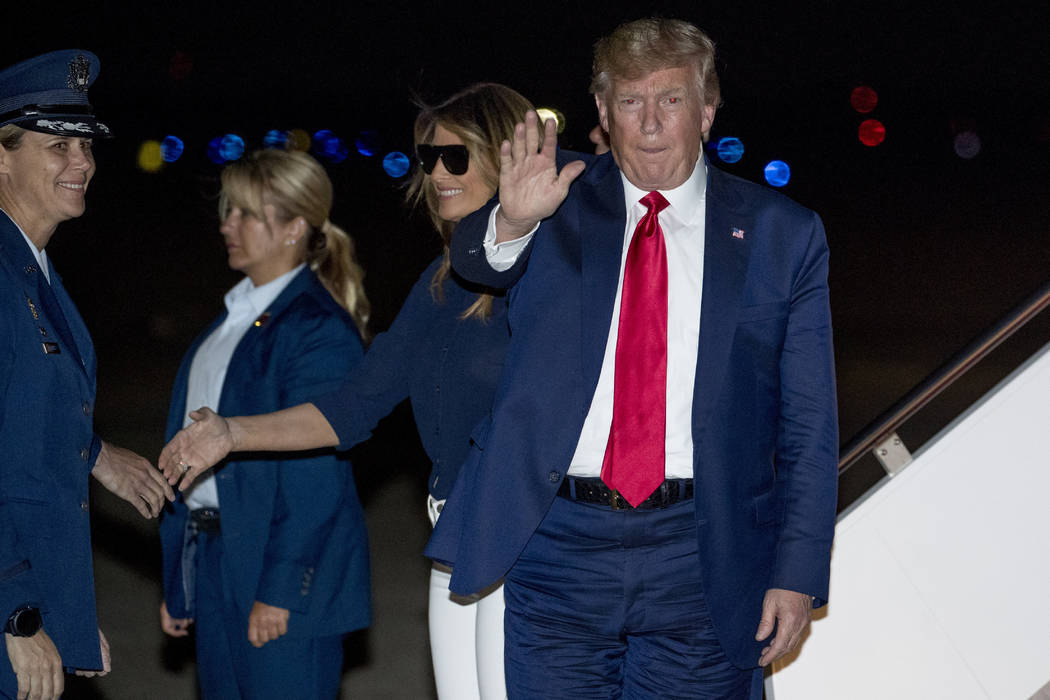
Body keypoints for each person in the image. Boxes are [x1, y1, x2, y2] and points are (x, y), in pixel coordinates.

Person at [426, 18, 839, 699]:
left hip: (703, 552)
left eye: (671, 100)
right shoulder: (553, 202)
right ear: (602, 112)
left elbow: (810, 428)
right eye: (630, 102)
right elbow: (476, 261)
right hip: (558, 544)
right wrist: (512, 221)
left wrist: (796, 571)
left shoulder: (780, 235)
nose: (650, 123)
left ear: (706, 110)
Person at [159, 83, 538, 699]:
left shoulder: (550, 270)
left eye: (457, 157)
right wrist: (232, 432)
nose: (438, 172)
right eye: (429, 158)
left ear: (508, 159)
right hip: (453, 535)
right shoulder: (439, 284)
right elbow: (355, 404)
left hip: (524, 540)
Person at [156, 149, 372, 699]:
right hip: (215, 561)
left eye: (246, 213)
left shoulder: (316, 330)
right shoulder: (229, 322)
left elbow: (317, 473)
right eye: (229, 211)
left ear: (295, 227)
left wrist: (280, 589)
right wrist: (183, 580)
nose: (227, 224)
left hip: (275, 572)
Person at [0, 50, 176, 700]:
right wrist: (17, 613)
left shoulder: (33, 270)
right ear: (0, 156)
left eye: (86, 145)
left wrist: (97, 454)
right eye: (57, 146)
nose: (83, 163)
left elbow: (23, 416)